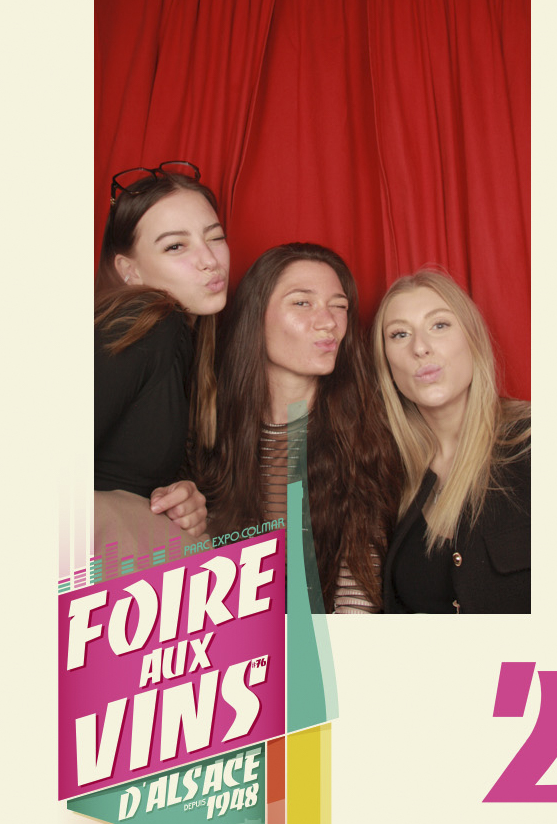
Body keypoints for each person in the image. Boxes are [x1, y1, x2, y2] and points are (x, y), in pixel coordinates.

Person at [199, 244, 401, 614]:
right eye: (302, 303)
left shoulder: (364, 433)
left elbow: (358, 595)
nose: (328, 322)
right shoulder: (210, 426)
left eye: (338, 306)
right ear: (255, 315)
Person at [372, 270, 530, 613]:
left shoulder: (535, 441)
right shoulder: (384, 472)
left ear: (472, 340)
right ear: (386, 363)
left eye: (439, 325)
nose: (420, 347)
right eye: (399, 334)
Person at [94, 163, 227, 558]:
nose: (209, 259)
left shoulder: (180, 338)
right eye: (175, 246)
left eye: (215, 237)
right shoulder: (149, 323)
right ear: (129, 271)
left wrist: (182, 497)